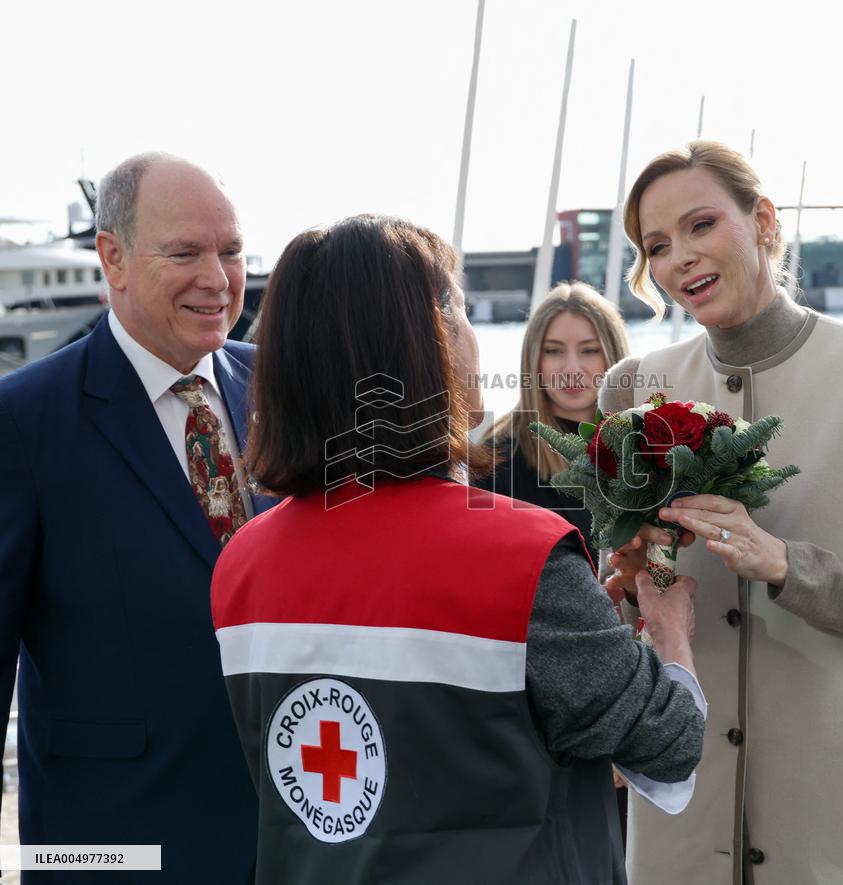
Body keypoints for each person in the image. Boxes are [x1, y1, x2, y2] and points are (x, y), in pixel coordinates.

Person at [210, 215, 706, 885]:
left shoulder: (240, 563)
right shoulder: (522, 557)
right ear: (433, 342)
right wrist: (670, 629)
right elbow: (668, 742)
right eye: (463, 310)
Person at [601, 141, 843, 884]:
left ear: (762, 219)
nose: (680, 258)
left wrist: (782, 563)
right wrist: (622, 579)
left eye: (700, 224)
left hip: (842, 805)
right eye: (656, 246)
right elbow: (623, 589)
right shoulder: (631, 389)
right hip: (681, 808)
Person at [0, 153, 277, 883]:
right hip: (110, 854)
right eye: (185, 252)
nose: (218, 279)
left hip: (290, 844)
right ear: (112, 257)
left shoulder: (282, 391)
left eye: (231, 250)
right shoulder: (24, 422)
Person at [475, 281, 629, 566]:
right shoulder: (496, 462)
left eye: (589, 350)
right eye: (554, 351)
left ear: (614, 356)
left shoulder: (645, 447)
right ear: (533, 361)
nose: (571, 369)